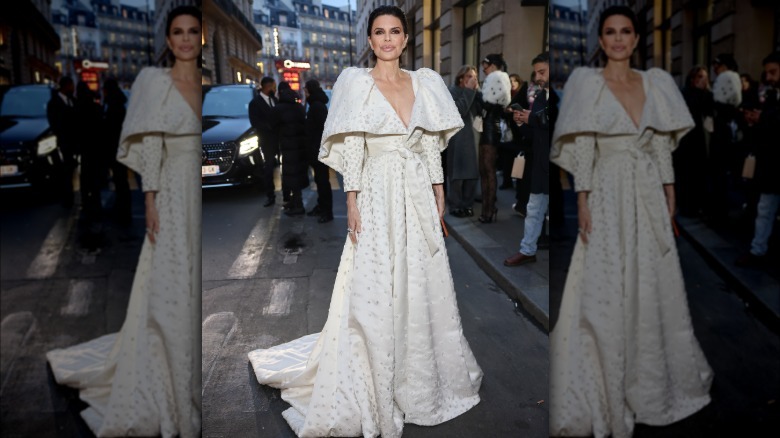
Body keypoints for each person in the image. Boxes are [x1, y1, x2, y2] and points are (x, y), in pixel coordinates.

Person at [248, 6, 482, 437]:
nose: (388, 39)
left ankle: (418, 379)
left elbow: (430, 144)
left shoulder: (424, 82)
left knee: (420, 278)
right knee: (374, 283)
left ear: (405, 39)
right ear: (370, 41)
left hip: (414, 189)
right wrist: (351, 198)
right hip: (376, 192)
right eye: (380, 32)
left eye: (395, 31)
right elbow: (352, 146)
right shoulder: (356, 84)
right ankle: (373, 376)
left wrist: (439, 189)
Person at [549, 7, 712, 438]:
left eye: (625, 32)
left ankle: (650, 381)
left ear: (636, 39)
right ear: (601, 41)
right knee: (605, 284)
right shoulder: (588, 84)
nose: (618, 39)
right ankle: (604, 382)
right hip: (605, 191)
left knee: (652, 281)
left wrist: (669, 188)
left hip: (646, 192)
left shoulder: (655, 82)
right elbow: (584, 145)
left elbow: (659, 143)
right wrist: (582, 198)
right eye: (610, 33)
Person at [46, 6, 202, 437]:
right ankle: (168, 375)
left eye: (193, 31)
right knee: (169, 288)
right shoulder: (155, 83)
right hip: (170, 190)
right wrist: (149, 198)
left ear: (200, 38)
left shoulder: (202, 83)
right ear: (168, 41)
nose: (186, 39)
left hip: (195, 190)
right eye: (178, 32)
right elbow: (150, 143)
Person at [504, 53, 554, 266]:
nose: (537, 76)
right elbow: (535, 133)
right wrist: (522, 123)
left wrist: (530, 118)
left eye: (542, 71)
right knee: (534, 209)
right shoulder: (542, 96)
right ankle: (527, 250)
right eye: (536, 72)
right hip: (541, 163)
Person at [736, 52, 780, 268]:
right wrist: (753, 121)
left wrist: (762, 118)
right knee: (765, 209)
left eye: (773, 72)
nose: (769, 77)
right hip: (771, 165)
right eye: (767, 72)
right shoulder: (771, 95)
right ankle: (757, 250)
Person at [477, 53, 512, 223]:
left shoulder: (496, 77)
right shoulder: (497, 78)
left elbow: (488, 104)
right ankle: (488, 208)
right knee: (485, 171)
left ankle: (489, 210)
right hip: (488, 127)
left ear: (493, 65)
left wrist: (475, 92)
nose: (484, 68)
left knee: (488, 170)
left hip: (491, 127)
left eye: (486, 65)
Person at [675, 66, 713, 217]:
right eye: (701, 76)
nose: (704, 80)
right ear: (694, 78)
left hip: (696, 138)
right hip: (689, 138)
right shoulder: (691, 94)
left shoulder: (703, 94)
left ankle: (693, 205)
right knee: (689, 173)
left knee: (696, 173)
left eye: (705, 76)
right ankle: (688, 206)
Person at [447, 65, 481, 217]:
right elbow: (460, 111)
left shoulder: (474, 91)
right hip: (457, 139)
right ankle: (455, 205)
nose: (472, 80)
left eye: (474, 77)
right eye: (469, 76)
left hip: (473, 137)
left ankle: (468, 204)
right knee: (457, 175)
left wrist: (477, 92)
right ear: (461, 78)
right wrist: (468, 91)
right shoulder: (452, 92)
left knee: (471, 174)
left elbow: (481, 111)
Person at [271, 82, 308, 216]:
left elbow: (273, 127)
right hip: (300, 146)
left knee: (291, 176)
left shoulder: (278, 109)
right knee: (297, 174)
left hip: (287, 147)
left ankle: (298, 205)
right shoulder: (299, 107)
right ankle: (294, 201)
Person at [102, 78, 131, 227]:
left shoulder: (113, 106)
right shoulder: (118, 104)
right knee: (121, 178)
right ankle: (123, 205)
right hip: (119, 146)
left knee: (120, 178)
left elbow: (111, 128)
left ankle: (123, 207)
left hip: (115, 146)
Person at [303, 79, 333, 222]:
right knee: (320, 181)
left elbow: (323, 129)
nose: (304, 92)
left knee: (323, 182)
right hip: (316, 149)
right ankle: (322, 207)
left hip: (319, 150)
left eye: (305, 89)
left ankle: (327, 212)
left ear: (310, 90)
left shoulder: (317, 106)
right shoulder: (315, 105)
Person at [47, 76, 78, 208]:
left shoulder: (71, 100)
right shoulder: (54, 103)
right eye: (72, 85)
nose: (73, 88)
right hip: (63, 142)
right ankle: (67, 197)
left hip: (72, 142)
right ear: (66, 86)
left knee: (70, 169)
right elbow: (55, 123)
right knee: (65, 171)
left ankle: (69, 196)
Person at [249, 76, 279, 207]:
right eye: (274, 86)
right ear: (268, 87)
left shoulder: (275, 100)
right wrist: (270, 126)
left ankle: (288, 195)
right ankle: (270, 195)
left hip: (279, 139)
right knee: (269, 167)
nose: (275, 88)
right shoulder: (255, 103)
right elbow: (255, 122)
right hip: (266, 141)